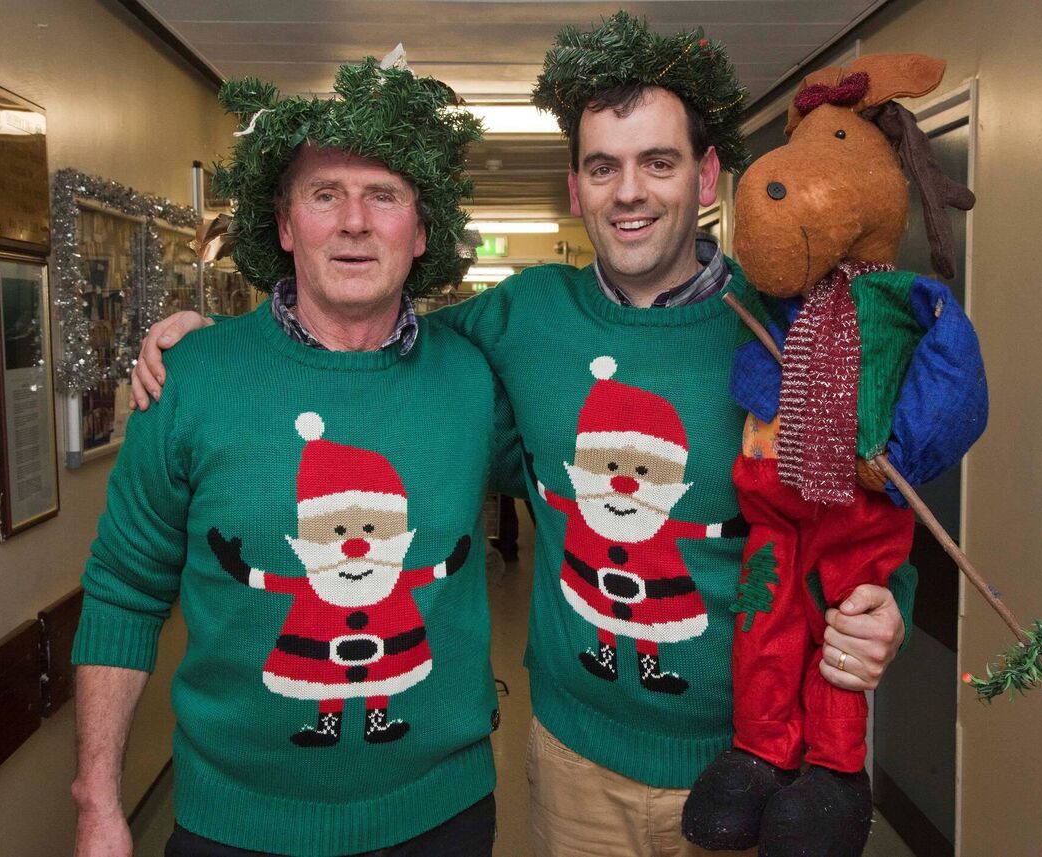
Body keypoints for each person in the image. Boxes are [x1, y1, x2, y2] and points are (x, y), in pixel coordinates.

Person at [132, 14, 985, 857]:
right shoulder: (523, 314)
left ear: (706, 175)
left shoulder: (786, 331)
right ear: (575, 188)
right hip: (576, 764)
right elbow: (368, 333)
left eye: (659, 162)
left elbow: (864, 503)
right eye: (603, 167)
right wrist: (223, 342)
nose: (630, 191)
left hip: (762, 762)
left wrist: (890, 608)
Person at [71, 51, 517, 857]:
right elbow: (123, 592)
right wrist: (98, 799)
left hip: (439, 818)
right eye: (324, 195)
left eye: (383, 196)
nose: (353, 221)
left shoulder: (475, 378)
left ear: (421, 230)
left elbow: (587, 476)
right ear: (284, 226)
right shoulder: (191, 380)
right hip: (234, 826)